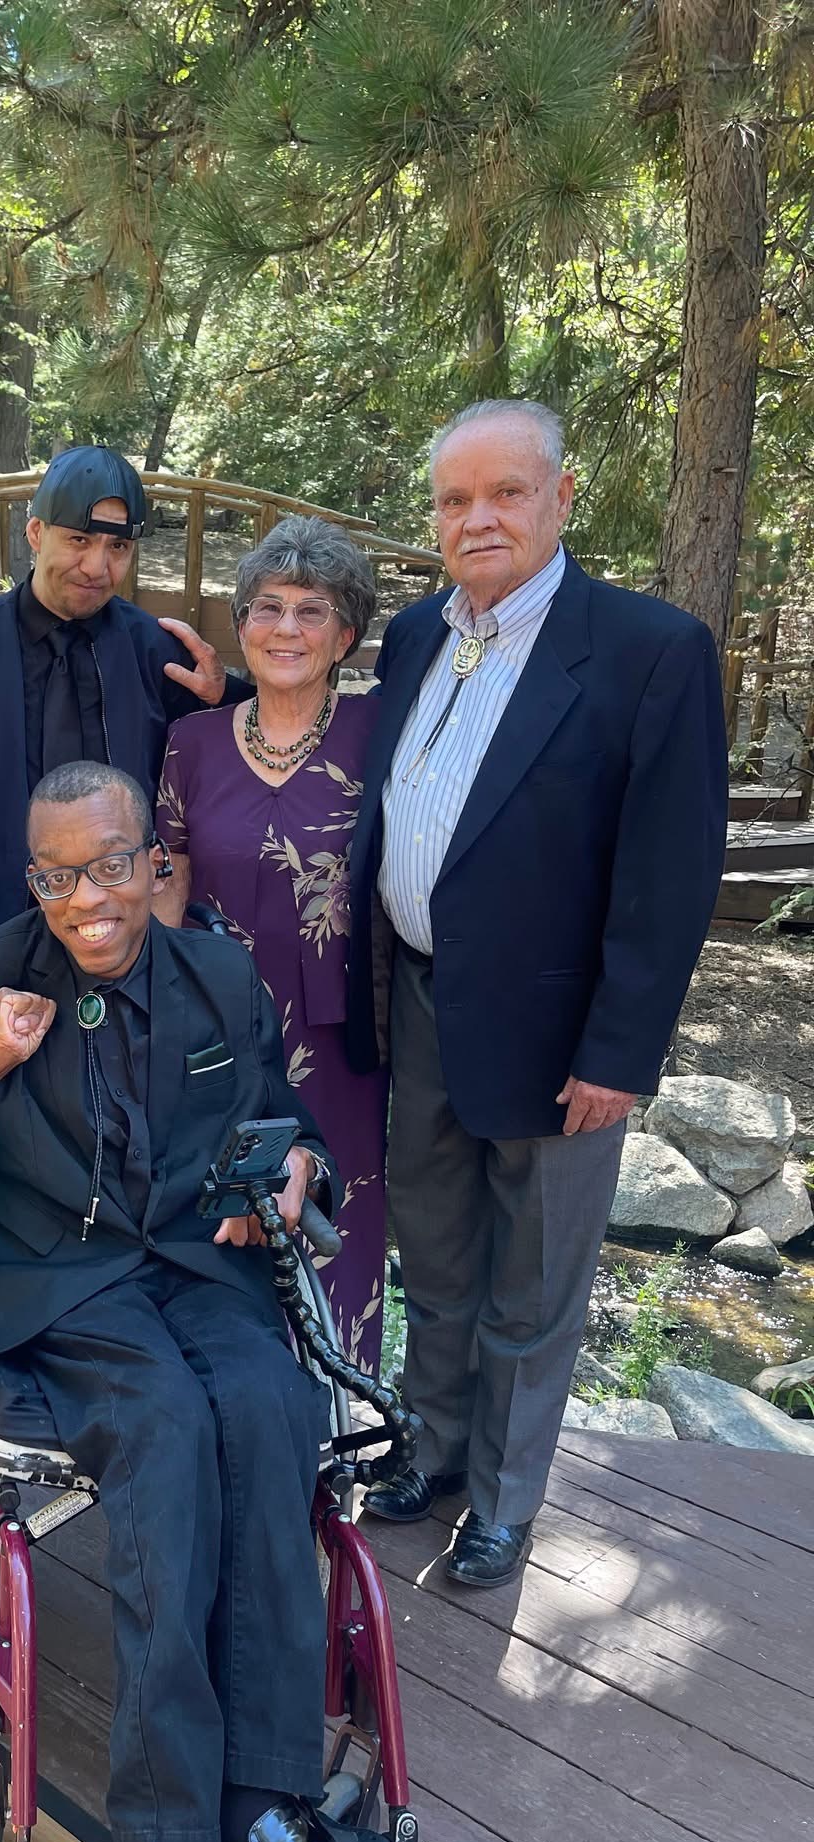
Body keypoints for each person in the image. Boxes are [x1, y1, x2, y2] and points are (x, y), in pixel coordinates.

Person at [0, 761, 448, 1842]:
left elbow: (290, 1125)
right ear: (32, 879)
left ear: (152, 859)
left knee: (274, 1407)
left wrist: (294, 1172)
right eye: (58, 875)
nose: (90, 899)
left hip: (196, 1264)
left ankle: (265, 1808)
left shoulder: (217, 976)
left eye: (113, 864)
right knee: (166, 1428)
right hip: (57, 1283)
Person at [347, 398, 728, 1587]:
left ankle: (505, 1500)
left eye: (506, 492)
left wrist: (620, 1051)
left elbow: (671, 875)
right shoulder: (416, 634)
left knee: (535, 1278)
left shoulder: (649, 650)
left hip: (561, 1033)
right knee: (437, 1256)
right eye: (455, 499)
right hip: (420, 1002)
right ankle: (432, 1450)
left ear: (562, 497)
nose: (479, 518)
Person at [155, 515, 389, 1372]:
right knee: (221, 1221)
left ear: (345, 637)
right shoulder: (193, 741)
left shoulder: (381, 732)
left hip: (343, 1038)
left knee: (335, 1226)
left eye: (312, 611)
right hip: (216, 1033)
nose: (286, 628)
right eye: (268, 608)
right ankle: (237, 1401)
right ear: (242, 625)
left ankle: (338, 1413)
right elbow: (169, 878)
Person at [0, 445, 243, 943]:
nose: (96, 567)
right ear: (36, 532)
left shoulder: (157, 652)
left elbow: (242, 754)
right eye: (79, 539)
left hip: (128, 934)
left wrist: (219, 697)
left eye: (117, 547)